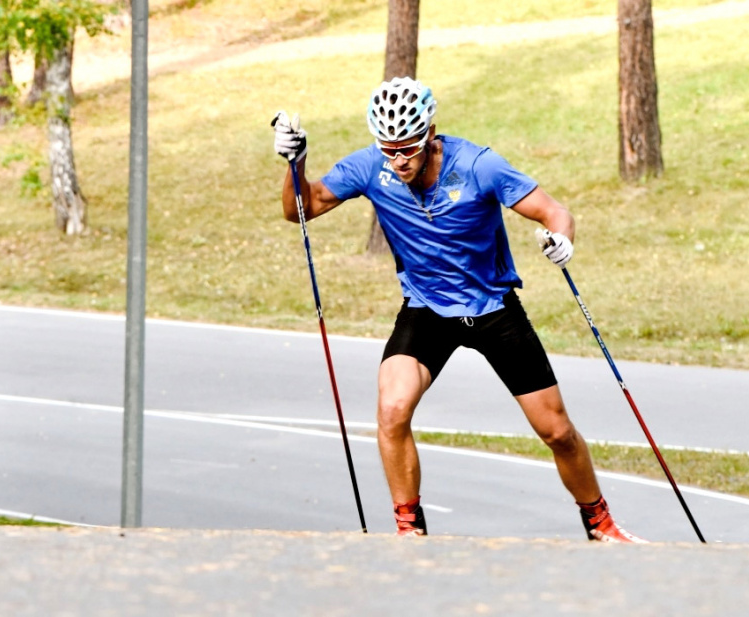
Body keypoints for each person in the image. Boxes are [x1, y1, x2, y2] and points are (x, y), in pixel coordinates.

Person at [272, 77, 645, 543]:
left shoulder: (478, 165)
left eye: (407, 147)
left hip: (493, 308)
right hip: (426, 309)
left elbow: (553, 211)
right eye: (388, 148)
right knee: (391, 409)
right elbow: (301, 208)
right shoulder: (373, 167)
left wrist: (561, 240)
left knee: (557, 432)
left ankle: (600, 523)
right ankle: (409, 529)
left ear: (429, 133)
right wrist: (296, 160)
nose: (398, 160)